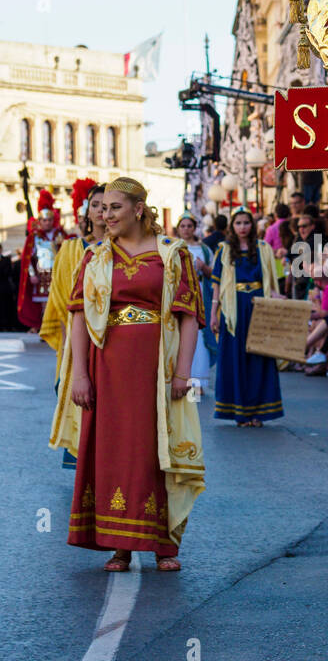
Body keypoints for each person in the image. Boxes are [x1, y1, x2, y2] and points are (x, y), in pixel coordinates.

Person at [50, 176, 205, 572]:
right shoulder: (96, 257)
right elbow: (80, 318)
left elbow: (188, 317)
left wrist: (183, 374)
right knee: (113, 451)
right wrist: (81, 377)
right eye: (102, 208)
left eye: (114, 207)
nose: (105, 215)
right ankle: (119, 545)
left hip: (156, 367)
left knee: (156, 450)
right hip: (108, 368)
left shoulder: (173, 255)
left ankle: (163, 546)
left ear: (139, 208)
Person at [210, 207, 283, 426]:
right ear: (232, 226)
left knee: (259, 358)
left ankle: (258, 412)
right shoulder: (223, 250)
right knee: (235, 358)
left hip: (258, 307)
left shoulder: (263, 248)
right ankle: (239, 413)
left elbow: (270, 281)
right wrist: (213, 313)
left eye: (246, 223)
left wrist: (280, 299)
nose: (243, 227)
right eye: (238, 223)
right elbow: (216, 286)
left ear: (252, 225)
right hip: (233, 309)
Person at [41, 181, 106, 385]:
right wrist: (68, 348)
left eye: (108, 206)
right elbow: (61, 302)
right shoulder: (70, 250)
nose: (101, 211)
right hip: (76, 334)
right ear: (87, 212)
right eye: (95, 205)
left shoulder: (126, 250)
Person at [17, 190, 66, 331]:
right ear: (40, 221)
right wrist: (32, 275)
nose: (47, 223)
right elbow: (28, 258)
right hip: (41, 275)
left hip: (56, 275)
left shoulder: (60, 234)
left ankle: (57, 330)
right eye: (44, 220)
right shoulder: (35, 237)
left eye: (49, 220)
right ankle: (45, 329)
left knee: (57, 302)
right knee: (44, 304)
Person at [176, 213, 214, 390]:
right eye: (182, 226)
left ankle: (198, 382)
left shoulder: (204, 250)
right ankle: (182, 378)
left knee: (199, 338)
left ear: (194, 228)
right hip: (180, 296)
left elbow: (215, 275)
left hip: (200, 294)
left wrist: (203, 267)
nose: (186, 229)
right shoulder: (173, 247)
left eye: (189, 226)